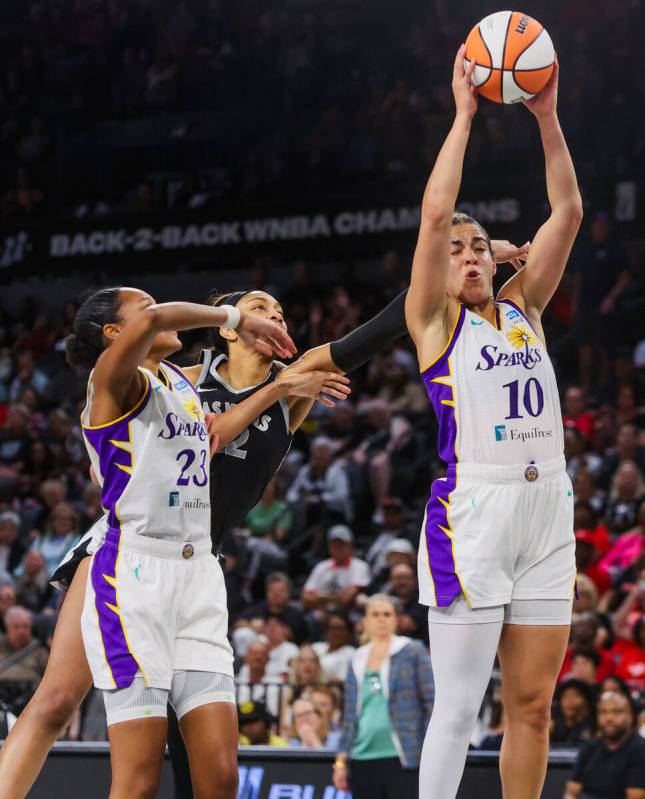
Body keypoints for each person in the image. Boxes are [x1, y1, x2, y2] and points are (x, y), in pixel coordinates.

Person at [404, 51, 583, 799]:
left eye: (479, 246)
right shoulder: (431, 321)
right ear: (438, 269)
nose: (469, 255)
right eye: (456, 251)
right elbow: (435, 213)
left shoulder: (523, 309)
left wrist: (545, 118)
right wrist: (465, 115)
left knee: (532, 708)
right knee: (457, 709)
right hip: (472, 511)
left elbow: (567, 212)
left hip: (547, 508)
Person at [333, 594, 434, 799]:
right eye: (375, 614)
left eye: (387, 614)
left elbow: (431, 702)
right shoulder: (357, 658)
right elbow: (350, 715)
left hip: (404, 755)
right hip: (361, 756)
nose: (381, 619)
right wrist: (341, 762)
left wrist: (427, 749)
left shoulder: (412, 651)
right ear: (365, 622)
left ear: (396, 619)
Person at [563, 691, 645, 799]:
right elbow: (571, 792)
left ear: (630, 716)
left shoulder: (640, 750)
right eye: (603, 712)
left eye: (617, 712)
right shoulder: (589, 747)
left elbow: (635, 796)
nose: (609, 718)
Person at [302, 525, 371, 612]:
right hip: (319, 614)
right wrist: (334, 598)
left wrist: (321, 598)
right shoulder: (321, 566)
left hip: (346, 614)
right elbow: (305, 598)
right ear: (329, 547)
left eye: (341, 545)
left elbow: (345, 598)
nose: (338, 548)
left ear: (350, 546)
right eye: (334, 544)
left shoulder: (360, 566)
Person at [0, 607, 48, 686]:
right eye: (16, 626)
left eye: (25, 626)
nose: (21, 631)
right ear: (7, 628)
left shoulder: (40, 652)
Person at [550, 679, 595, 746]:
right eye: (565, 696)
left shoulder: (594, 726)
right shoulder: (552, 725)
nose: (570, 701)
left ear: (586, 701)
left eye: (576, 695)